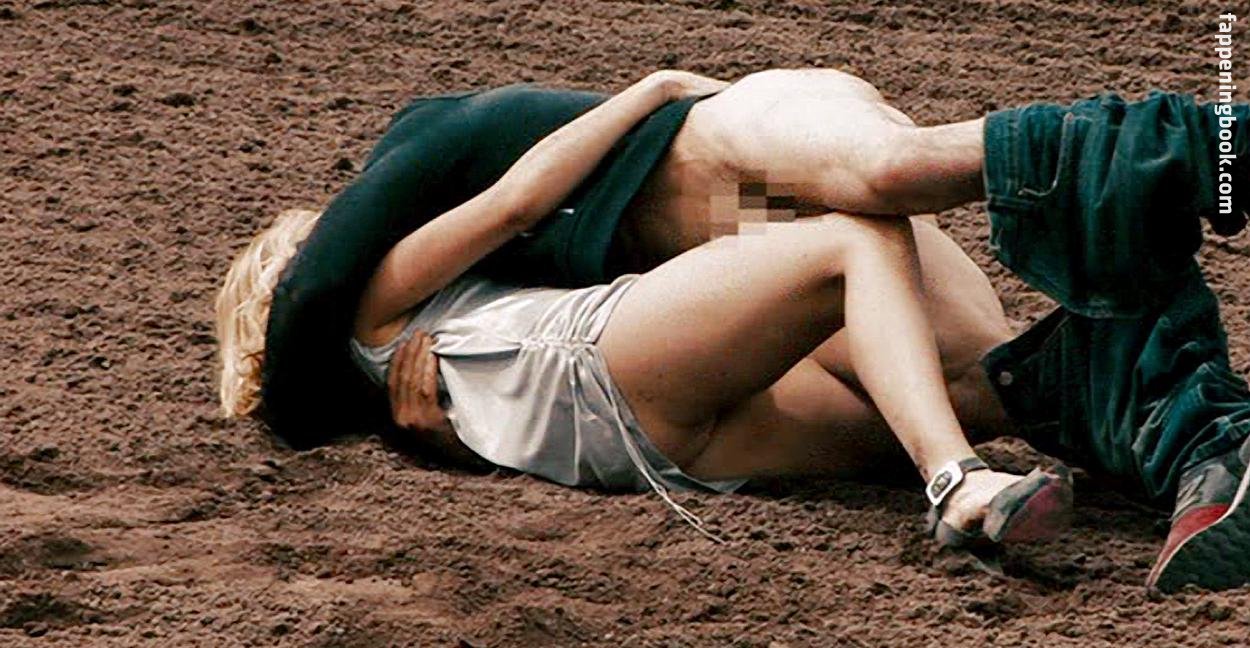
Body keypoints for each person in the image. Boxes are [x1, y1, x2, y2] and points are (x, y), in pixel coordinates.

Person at [218, 68, 1250, 591]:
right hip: (608, 366)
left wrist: (440, 444)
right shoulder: (389, 296)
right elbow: (515, 202)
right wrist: (655, 85)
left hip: (642, 442)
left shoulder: (400, 374)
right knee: (863, 257)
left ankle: (1182, 420)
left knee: (937, 368)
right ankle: (969, 477)